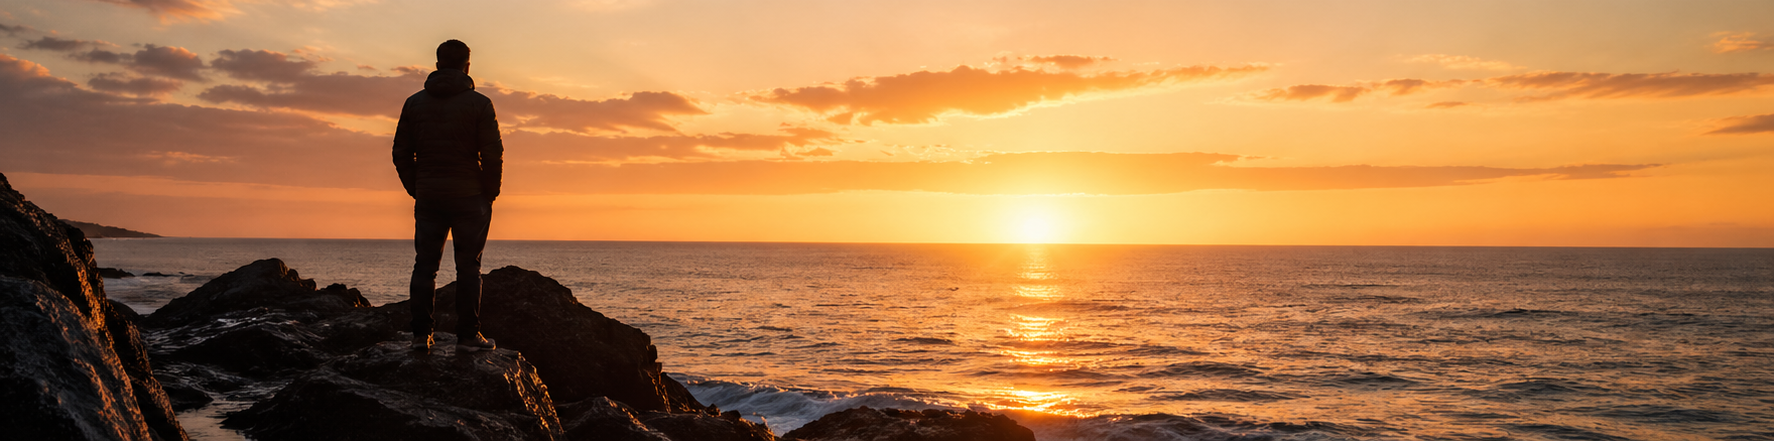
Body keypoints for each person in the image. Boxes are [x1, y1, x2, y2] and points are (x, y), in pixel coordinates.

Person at [392, 39, 502, 353]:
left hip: (429, 196)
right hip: (470, 197)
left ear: (438, 64)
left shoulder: (414, 103)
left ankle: (420, 336)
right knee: (469, 268)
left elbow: (401, 152)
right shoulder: (480, 104)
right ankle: (468, 336)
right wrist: (489, 193)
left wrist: (418, 187)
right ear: (467, 66)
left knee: (425, 266)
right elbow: (493, 155)